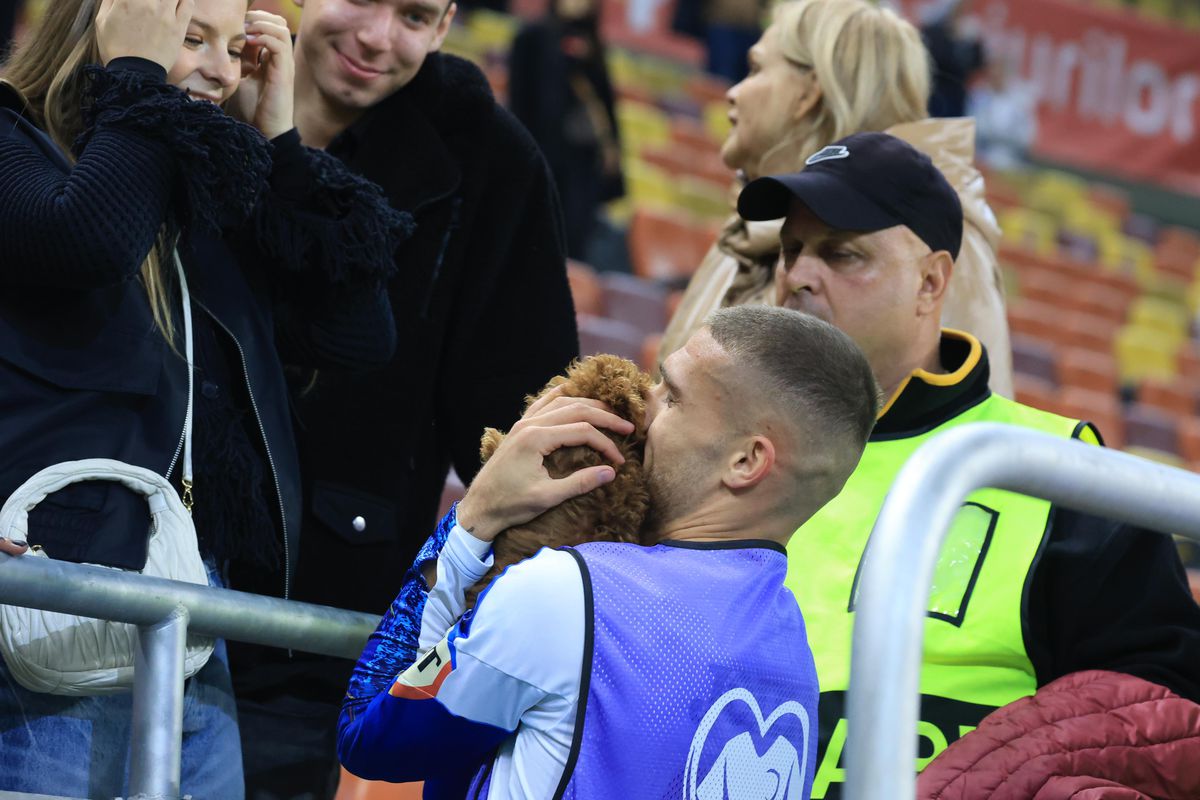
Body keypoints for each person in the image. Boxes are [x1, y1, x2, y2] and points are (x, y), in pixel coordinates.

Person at [0, 0, 406, 795]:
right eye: (192, 38)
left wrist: (279, 142)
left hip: (192, 600)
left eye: (237, 48)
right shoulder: (14, 139)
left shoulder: (192, 188)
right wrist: (137, 76)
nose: (222, 72)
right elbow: (89, 240)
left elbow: (357, 336)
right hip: (48, 594)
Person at [735, 131, 1200, 800]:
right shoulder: (720, 444)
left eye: (841, 253)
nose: (798, 275)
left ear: (931, 282)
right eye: (791, 250)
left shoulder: (1053, 468)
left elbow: (1156, 712)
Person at [226, 0, 580, 795]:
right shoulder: (204, 77)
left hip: (311, 633)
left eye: (415, 15)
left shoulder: (492, 161)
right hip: (130, 564)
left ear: (446, 24)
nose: (377, 38)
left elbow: (519, 421)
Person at [337, 304, 880, 798]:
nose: (643, 407)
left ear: (745, 462)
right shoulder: (795, 659)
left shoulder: (565, 592)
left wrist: (474, 520)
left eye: (673, 396)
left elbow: (369, 737)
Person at [658, 0, 1014, 399]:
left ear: (808, 92)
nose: (733, 91)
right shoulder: (755, 219)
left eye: (755, 69)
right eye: (793, 251)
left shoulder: (934, 236)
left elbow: (948, 423)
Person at [508, 0, 624, 261]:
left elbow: (606, 105)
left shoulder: (592, 44)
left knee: (571, 246)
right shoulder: (532, 36)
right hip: (540, 157)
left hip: (580, 165)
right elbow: (520, 101)